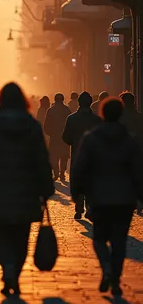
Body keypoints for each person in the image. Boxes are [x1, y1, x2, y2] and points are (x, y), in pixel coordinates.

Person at [0, 82, 54, 297]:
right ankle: (14, 272)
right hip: (26, 192)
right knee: (21, 236)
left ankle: (6, 265)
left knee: (0, 234)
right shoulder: (32, 125)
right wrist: (46, 188)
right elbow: (41, 160)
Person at [72, 97, 143, 296]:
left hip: (99, 196)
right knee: (119, 241)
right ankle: (116, 279)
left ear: (102, 113)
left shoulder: (91, 138)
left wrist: (77, 191)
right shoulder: (130, 141)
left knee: (100, 238)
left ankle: (106, 268)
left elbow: (80, 168)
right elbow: (138, 171)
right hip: (125, 198)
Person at [62, 91, 101, 220]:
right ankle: (90, 208)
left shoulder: (71, 118)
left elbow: (66, 138)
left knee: (78, 181)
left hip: (77, 155)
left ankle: (78, 209)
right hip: (93, 157)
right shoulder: (96, 120)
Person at [44, 93, 71, 182]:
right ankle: (62, 173)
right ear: (63, 100)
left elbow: (46, 125)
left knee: (54, 156)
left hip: (54, 137)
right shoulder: (67, 110)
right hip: (64, 137)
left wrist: (50, 134)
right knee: (63, 156)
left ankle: (56, 172)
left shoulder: (50, 110)